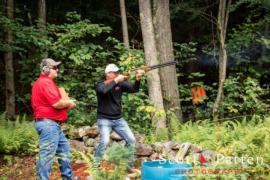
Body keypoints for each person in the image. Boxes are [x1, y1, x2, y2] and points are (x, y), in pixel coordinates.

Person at [31, 58, 77, 180]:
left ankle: (68, 177)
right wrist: (69, 103)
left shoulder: (44, 82)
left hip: (52, 124)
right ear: (46, 69)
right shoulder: (45, 82)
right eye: (55, 67)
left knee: (64, 150)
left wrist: (67, 102)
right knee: (46, 155)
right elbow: (56, 103)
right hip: (48, 125)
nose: (58, 70)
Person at [94, 63, 145, 168]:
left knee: (131, 140)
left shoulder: (120, 83)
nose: (118, 74)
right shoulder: (100, 84)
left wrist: (138, 79)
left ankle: (128, 166)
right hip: (104, 119)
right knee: (104, 142)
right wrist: (117, 80)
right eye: (115, 72)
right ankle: (95, 166)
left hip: (118, 119)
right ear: (108, 74)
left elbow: (134, 89)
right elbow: (104, 91)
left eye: (118, 72)